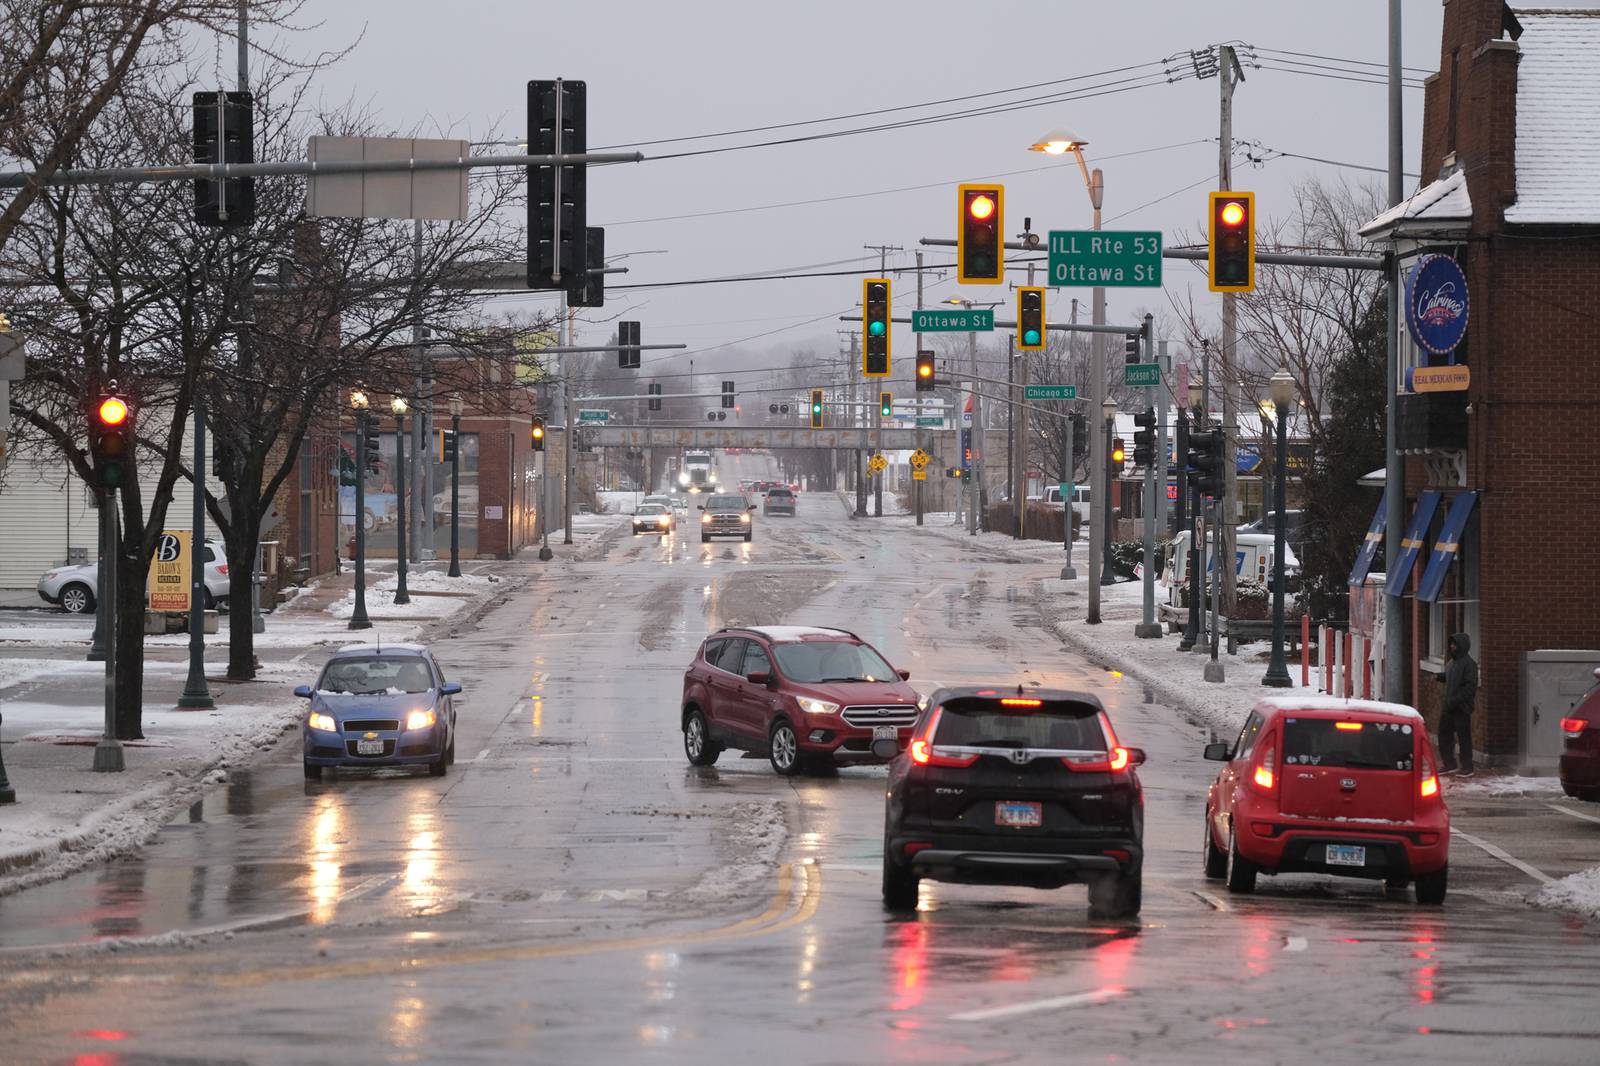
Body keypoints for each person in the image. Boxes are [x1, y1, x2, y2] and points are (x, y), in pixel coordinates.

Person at [1436, 632, 1479, 776]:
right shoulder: (1451, 663)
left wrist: (1456, 700)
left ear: (1462, 646)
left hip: (1461, 708)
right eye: (1451, 644)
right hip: (1449, 707)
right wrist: (1439, 677)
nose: (1452, 647)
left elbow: (1469, 687)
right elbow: (1450, 678)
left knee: (1463, 738)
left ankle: (1467, 767)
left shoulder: (1469, 664)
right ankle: (1450, 763)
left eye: (1454, 644)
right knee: (1443, 735)